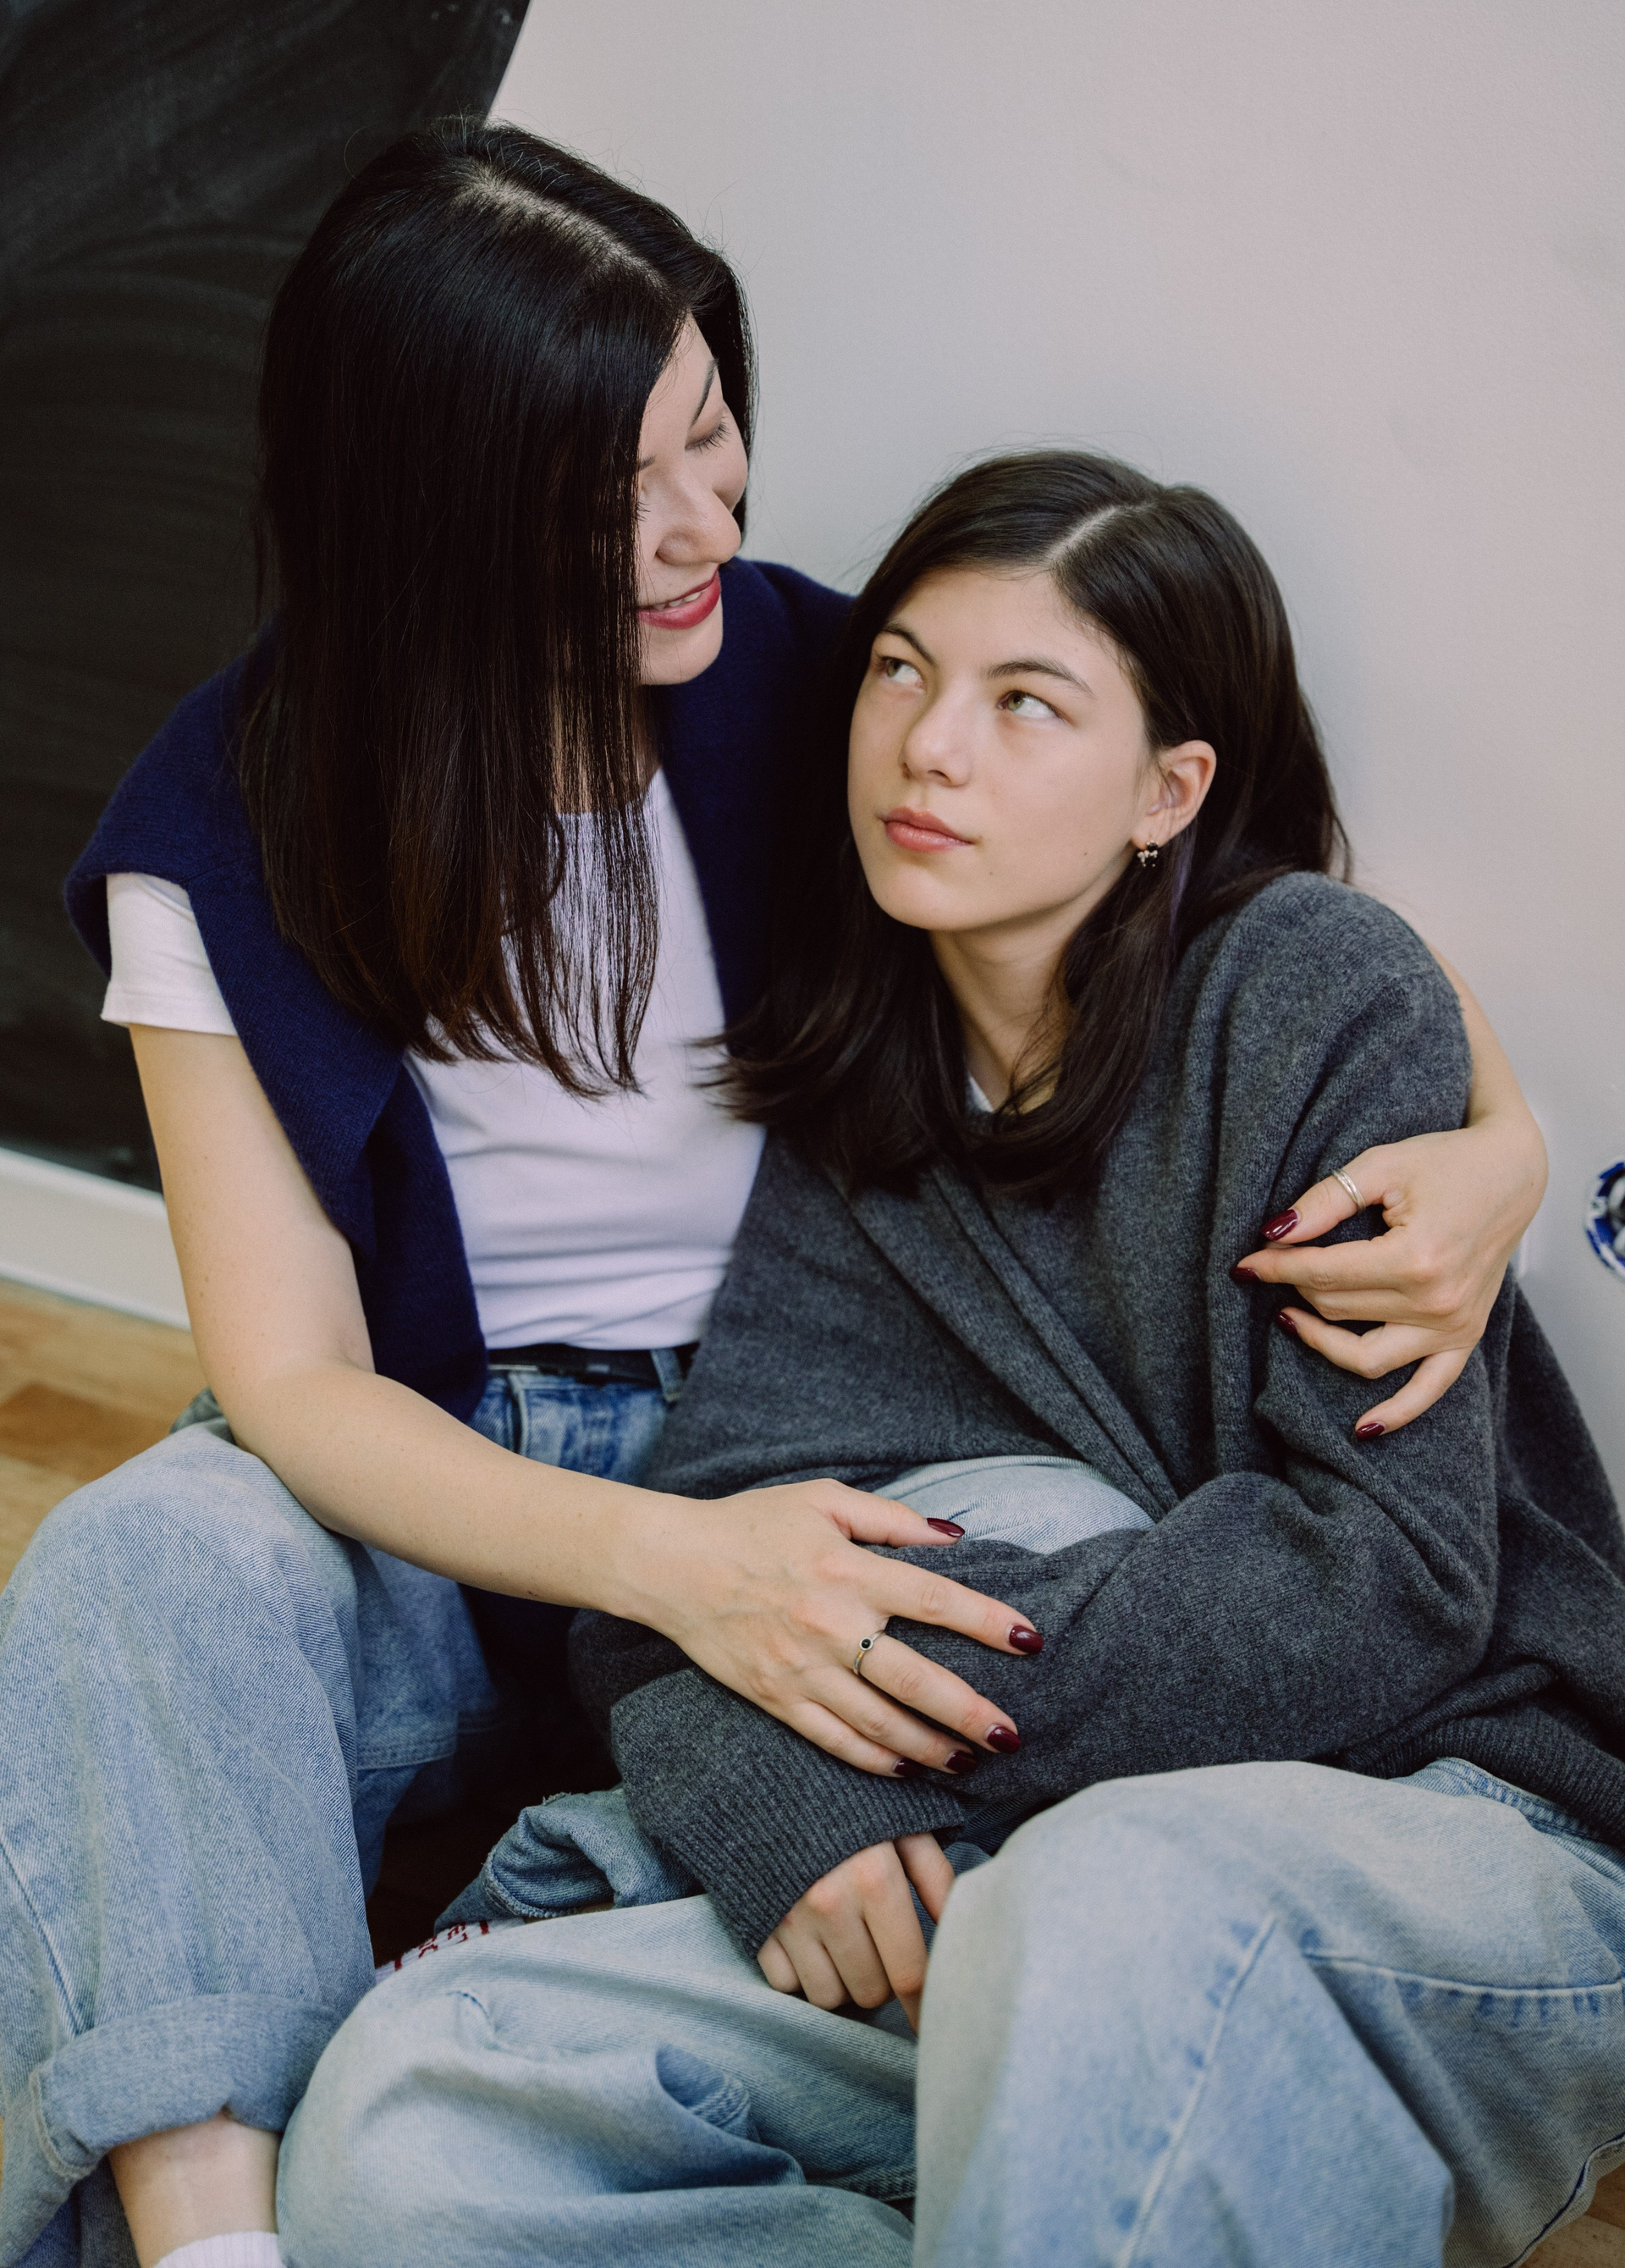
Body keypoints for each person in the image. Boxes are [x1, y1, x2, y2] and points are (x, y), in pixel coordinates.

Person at [0, 120, 1536, 2268]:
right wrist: (672, 1564)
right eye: (611, 495)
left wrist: (1503, 1146)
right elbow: (294, 1380)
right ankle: (215, 2239)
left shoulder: (826, 683)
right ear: (432, 508)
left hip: (822, 1434)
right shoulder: (215, 825)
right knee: (136, 1555)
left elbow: (1238, 885)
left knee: (1042, 1541)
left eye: (712, 433)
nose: (702, 525)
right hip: (453, 1482)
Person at [278, 453, 1625, 2268]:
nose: (928, 746)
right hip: (1026, 1876)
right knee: (417, 2106)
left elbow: (1382, 1584)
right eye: (902, 671)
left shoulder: (1313, 990)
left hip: (1454, 1834)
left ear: (1169, 792)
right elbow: (683, 1591)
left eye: (1026, 703)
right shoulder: (869, 1098)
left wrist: (851, 1698)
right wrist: (786, 1787)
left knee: (1102, 1874)